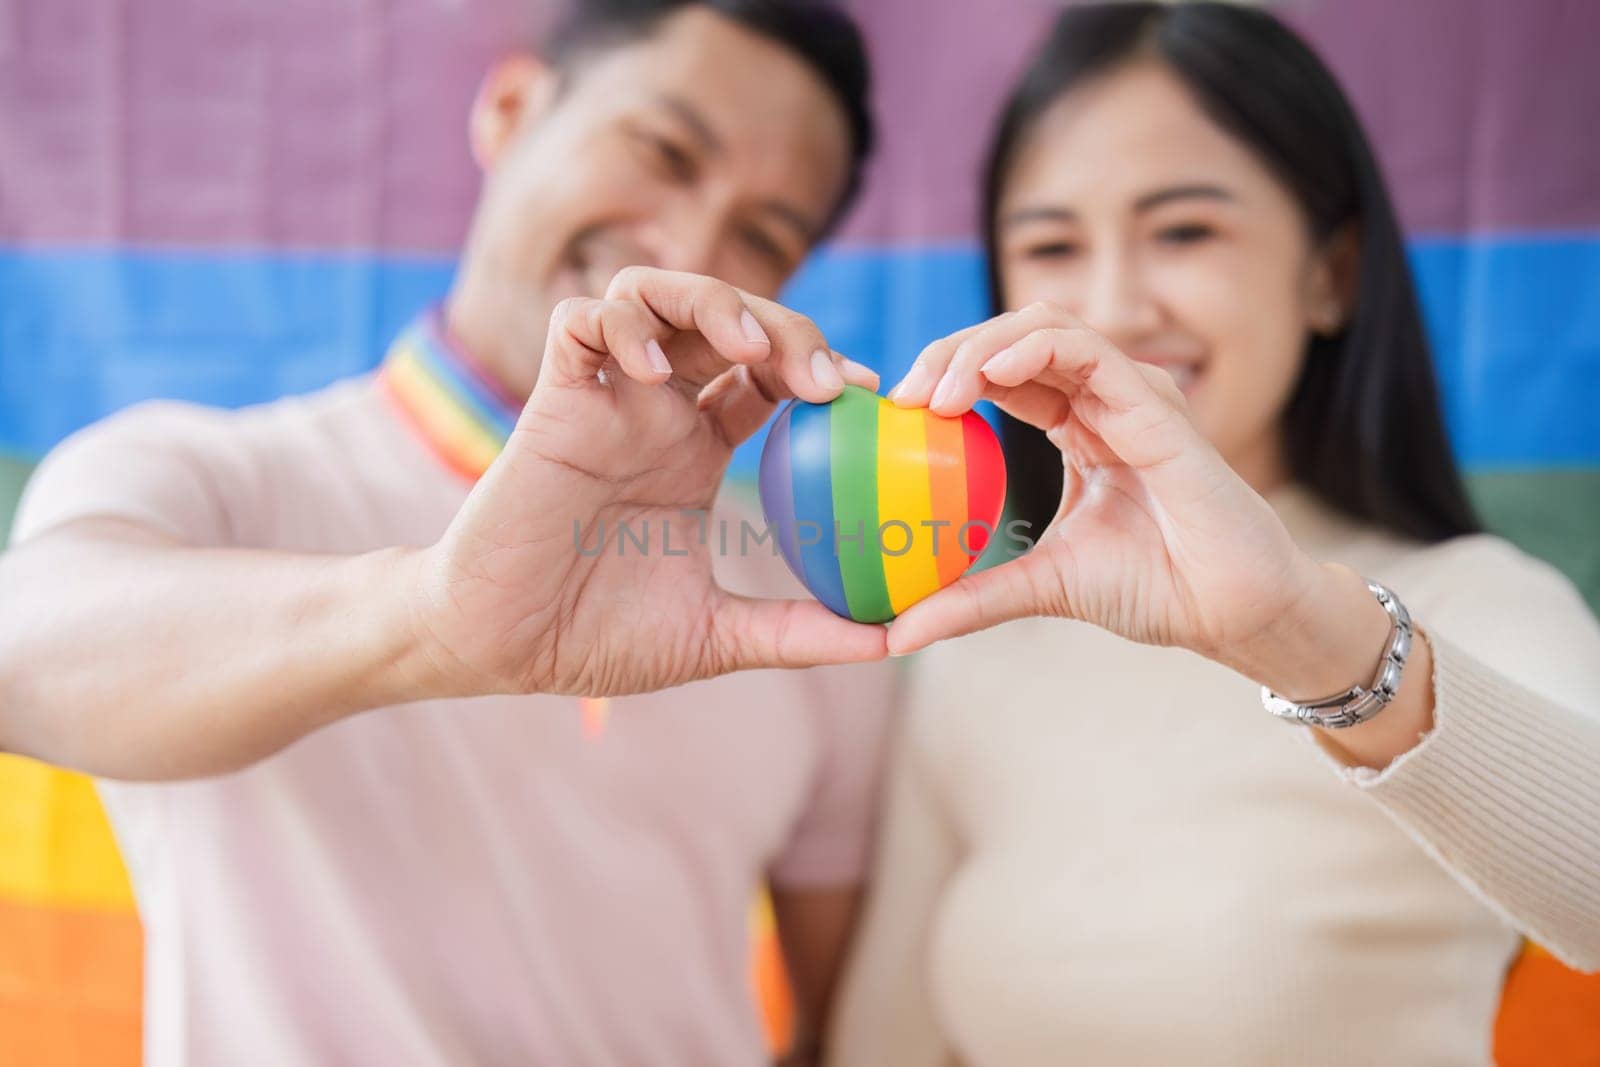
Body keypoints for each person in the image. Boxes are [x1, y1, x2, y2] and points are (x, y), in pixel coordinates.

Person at [0, 3, 901, 1064]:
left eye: (763, 233)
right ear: (512, 110)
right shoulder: (212, 476)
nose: (687, 246)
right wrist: (437, 618)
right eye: (663, 151)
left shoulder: (806, 585)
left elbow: (841, 1023)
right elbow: (22, 655)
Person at [829, 4, 1600, 1065]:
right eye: (1050, 244)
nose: (1110, 307)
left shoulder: (1476, 599)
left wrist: (1303, 634)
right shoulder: (976, 642)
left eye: (1184, 230)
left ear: (1329, 272)